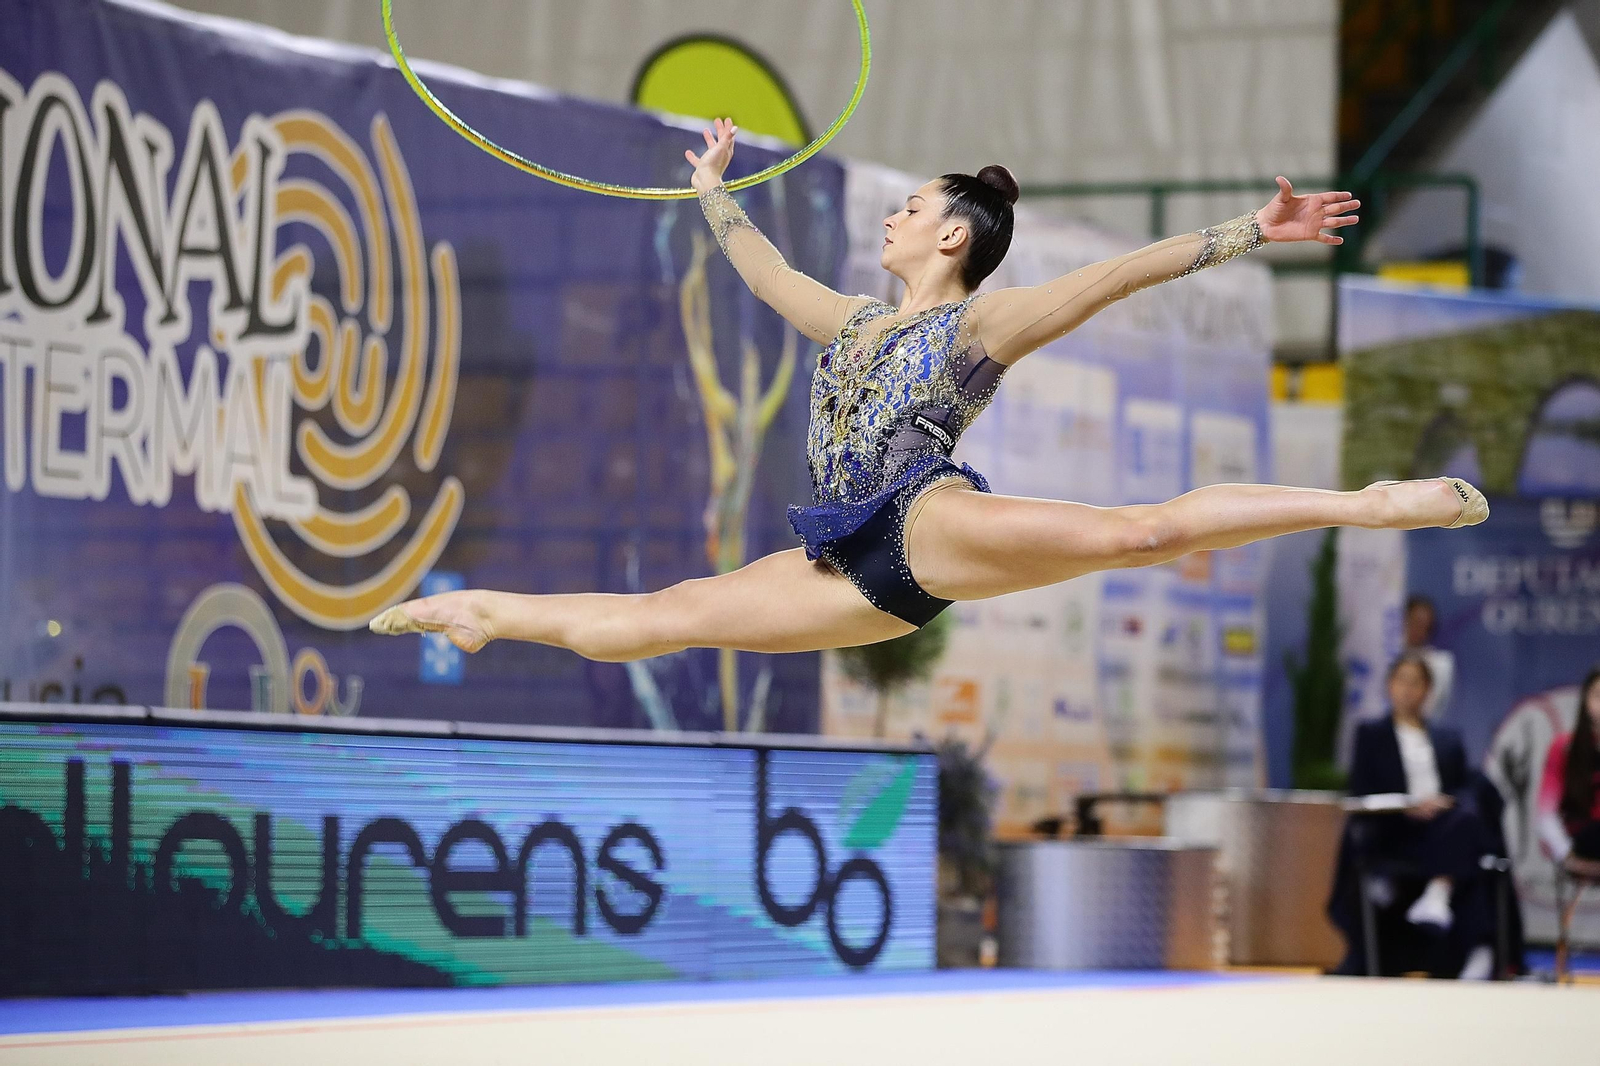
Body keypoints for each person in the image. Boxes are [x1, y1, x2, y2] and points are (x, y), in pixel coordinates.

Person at [371, 119, 1488, 660]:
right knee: (666, 620)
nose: (892, 217)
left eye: (910, 207)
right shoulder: (855, 321)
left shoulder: (979, 326)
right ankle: (485, 614)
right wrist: (712, 188)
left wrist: (1251, 230)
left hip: (923, 522)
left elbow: (1113, 277)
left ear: (953, 234)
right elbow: (762, 271)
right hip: (840, 565)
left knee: (1138, 533)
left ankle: (1366, 503)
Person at [1330, 653, 1503, 978]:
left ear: (1428, 690)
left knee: (1469, 819)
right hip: (1396, 830)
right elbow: (1360, 792)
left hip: (1443, 829)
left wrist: (1443, 802)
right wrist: (1408, 805)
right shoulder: (1371, 735)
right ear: (1389, 686)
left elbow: (1463, 788)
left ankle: (1448, 908)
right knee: (1466, 850)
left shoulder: (1447, 739)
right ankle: (1446, 907)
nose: (1408, 690)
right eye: (1402, 681)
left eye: (1416, 683)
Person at [1537, 666, 1600, 874]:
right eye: (1598, 695)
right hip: (1581, 845)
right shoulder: (1564, 748)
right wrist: (1568, 856)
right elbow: (1546, 813)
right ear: (1586, 701)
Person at [1401, 594, 1455, 720]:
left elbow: (1432, 708)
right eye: (1414, 622)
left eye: (1425, 626)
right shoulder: (1385, 656)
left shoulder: (1440, 664)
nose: (1418, 630)